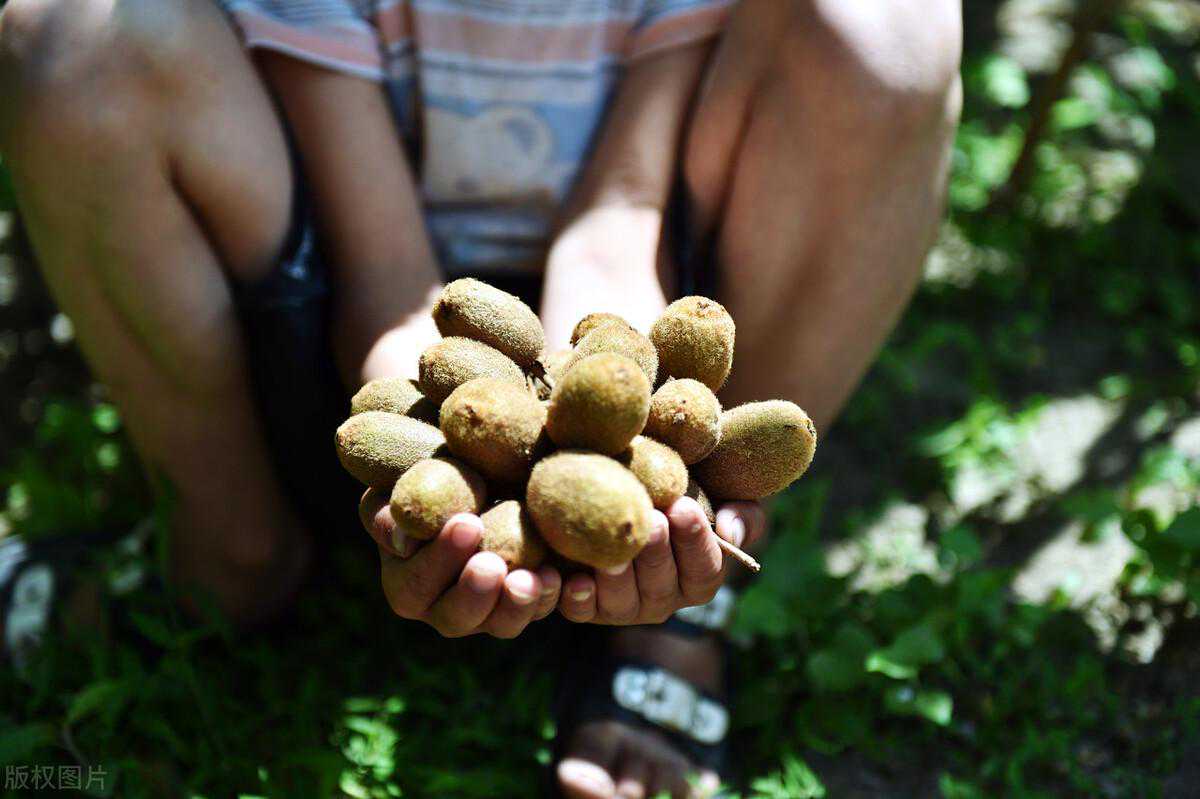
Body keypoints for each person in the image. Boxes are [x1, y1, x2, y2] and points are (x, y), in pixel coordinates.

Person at [0, 0, 961, 795]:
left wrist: (607, 364)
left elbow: (619, 221)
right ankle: (236, 546)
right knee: (62, 37)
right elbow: (386, 272)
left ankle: (675, 604)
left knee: (890, 31)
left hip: (641, 279)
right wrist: (434, 417)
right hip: (344, 306)